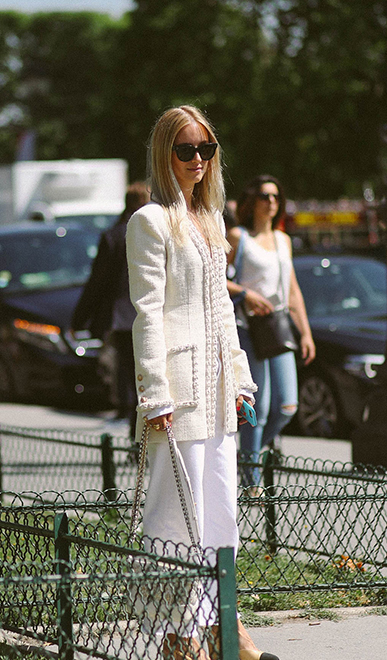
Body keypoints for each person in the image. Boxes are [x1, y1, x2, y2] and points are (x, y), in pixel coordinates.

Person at [128, 105, 277, 660]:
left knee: (220, 514)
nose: (197, 160)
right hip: (177, 393)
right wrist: (155, 394)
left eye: (206, 150)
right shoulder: (149, 222)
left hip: (217, 394)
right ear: (165, 154)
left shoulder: (212, 221)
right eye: (186, 150)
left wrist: (240, 381)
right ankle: (178, 635)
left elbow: (222, 313)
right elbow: (148, 313)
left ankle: (223, 624)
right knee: (176, 520)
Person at [227, 176, 314, 488]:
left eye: (276, 196)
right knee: (258, 407)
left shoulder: (283, 240)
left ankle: (246, 457)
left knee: (287, 405)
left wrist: (305, 332)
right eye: (265, 195)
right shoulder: (239, 237)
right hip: (249, 328)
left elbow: (292, 291)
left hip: (278, 328)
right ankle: (251, 483)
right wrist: (245, 294)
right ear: (253, 201)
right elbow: (215, 277)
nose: (272, 201)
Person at [73, 182, 150, 440]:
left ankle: (135, 437)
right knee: (149, 377)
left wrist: (80, 318)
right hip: (149, 313)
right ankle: (142, 438)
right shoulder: (151, 231)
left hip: (123, 317)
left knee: (130, 376)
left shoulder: (114, 235)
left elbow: (98, 282)